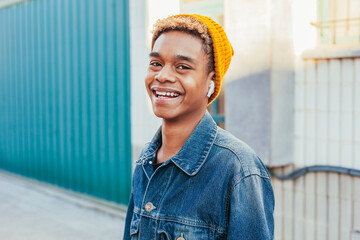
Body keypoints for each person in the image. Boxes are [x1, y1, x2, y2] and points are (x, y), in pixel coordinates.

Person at [123, 14, 274, 240]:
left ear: (210, 82)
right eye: (156, 63)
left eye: (182, 66)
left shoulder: (238, 169)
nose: (162, 76)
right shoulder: (146, 161)